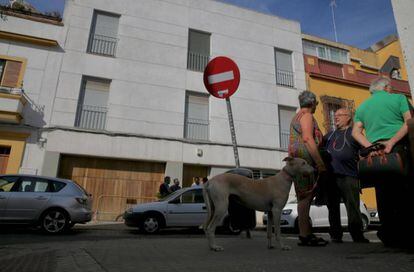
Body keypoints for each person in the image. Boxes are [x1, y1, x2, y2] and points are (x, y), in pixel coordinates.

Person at [352, 76, 413, 248]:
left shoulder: (363, 106)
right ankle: (408, 238)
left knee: (383, 194)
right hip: (398, 149)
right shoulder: (399, 98)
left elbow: (355, 133)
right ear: (386, 87)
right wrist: (391, 142)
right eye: (390, 87)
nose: (391, 90)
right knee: (405, 193)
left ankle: (389, 237)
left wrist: (372, 147)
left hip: (377, 155)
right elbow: (410, 122)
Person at [288, 90, 328, 246]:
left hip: (298, 163)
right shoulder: (307, 116)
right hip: (305, 163)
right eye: (316, 104)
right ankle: (305, 234)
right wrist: (320, 164)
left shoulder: (296, 116)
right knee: (306, 198)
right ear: (312, 103)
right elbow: (307, 138)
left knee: (302, 198)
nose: (317, 107)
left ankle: (305, 233)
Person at [323, 108, 369, 243]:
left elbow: (364, 152)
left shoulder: (355, 134)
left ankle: (357, 235)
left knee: (353, 206)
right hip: (331, 176)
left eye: (339, 115)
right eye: (335, 115)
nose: (335, 117)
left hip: (349, 175)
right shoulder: (329, 136)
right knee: (332, 207)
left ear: (348, 118)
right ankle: (336, 235)